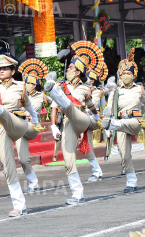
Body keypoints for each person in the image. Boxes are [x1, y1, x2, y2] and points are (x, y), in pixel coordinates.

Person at [0, 55, 42, 217]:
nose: (1, 71)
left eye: (5, 68)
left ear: (13, 71)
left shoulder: (21, 86)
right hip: (1, 127)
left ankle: (33, 182)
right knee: (8, 166)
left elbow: (30, 108)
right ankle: (19, 205)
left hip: (18, 123)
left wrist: (35, 121)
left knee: (23, 157)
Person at [44, 40, 104, 205]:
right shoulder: (62, 86)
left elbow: (90, 104)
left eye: (71, 68)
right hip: (68, 123)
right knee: (68, 159)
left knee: (71, 107)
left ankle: (97, 170)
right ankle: (78, 194)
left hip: (82, 119)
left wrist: (96, 117)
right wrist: (54, 126)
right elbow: (55, 108)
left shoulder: (85, 88)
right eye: (69, 67)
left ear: (78, 72)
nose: (68, 69)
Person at [102, 49, 145, 192]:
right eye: (123, 73)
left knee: (124, 125)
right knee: (124, 154)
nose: (125, 75)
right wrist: (107, 118)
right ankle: (131, 181)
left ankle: (113, 125)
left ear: (134, 75)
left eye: (128, 73)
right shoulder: (116, 91)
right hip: (119, 122)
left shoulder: (139, 89)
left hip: (135, 120)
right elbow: (109, 108)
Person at [16, 59, 51, 193]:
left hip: (32, 126)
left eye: (30, 83)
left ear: (35, 85)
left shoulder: (41, 96)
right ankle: (33, 182)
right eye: (27, 83)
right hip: (20, 125)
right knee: (22, 159)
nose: (28, 85)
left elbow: (55, 102)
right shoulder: (20, 95)